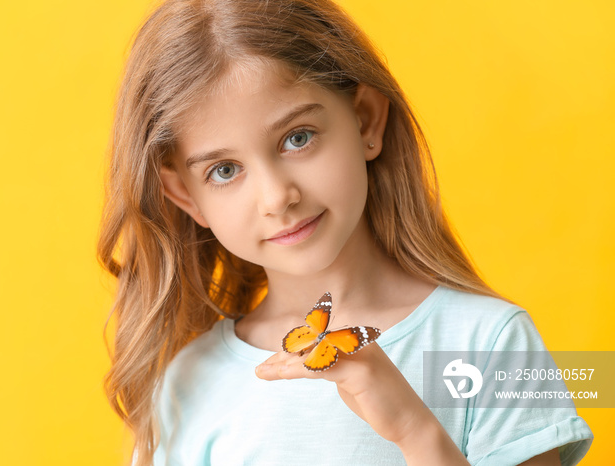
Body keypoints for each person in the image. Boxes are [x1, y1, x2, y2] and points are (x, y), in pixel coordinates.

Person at [97, 0, 594, 464]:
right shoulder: (186, 384)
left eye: (297, 138)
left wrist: (415, 431)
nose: (276, 197)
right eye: (224, 171)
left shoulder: (491, 344)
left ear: (365, 121)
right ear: (186, 196)